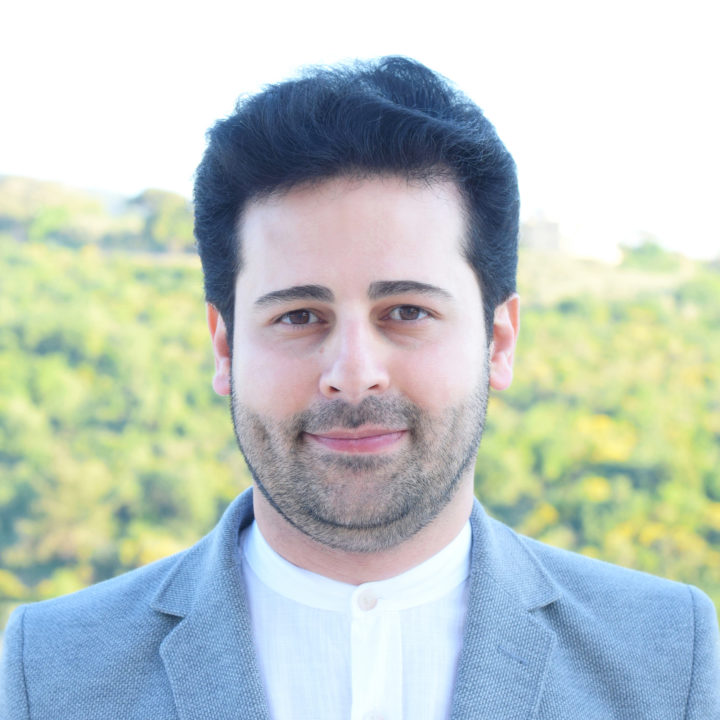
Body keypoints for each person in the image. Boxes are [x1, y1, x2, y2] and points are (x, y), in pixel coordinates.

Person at [1, 56, 718, 720]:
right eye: (298, 316)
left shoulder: (668, 657)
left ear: (499, 341)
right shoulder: (52, 672)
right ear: (224, 347)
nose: (351, 372)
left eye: (406, 311)